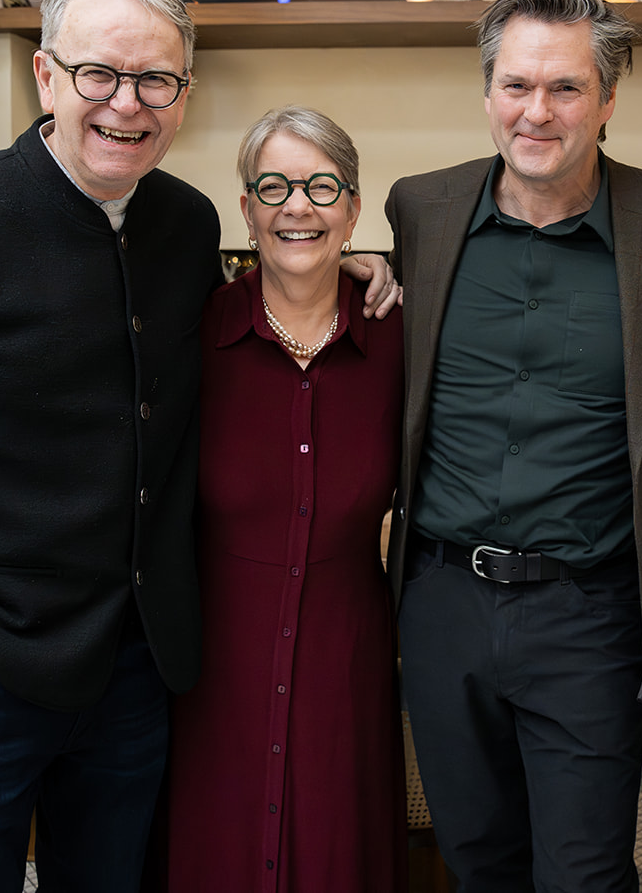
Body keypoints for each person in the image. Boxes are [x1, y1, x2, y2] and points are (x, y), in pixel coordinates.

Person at [0, 0, 394, 893]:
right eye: (99, 74)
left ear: (182, 94)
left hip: (133, 676)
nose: (126, 104)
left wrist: (344, 266)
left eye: (155, 80)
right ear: (46, 76)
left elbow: (253, 310)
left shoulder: (185, 225)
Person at [383, 0, 642, 892]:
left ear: (609, 99)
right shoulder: (419, 209)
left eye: (566, 88)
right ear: (488, 91)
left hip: (591, 612)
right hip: (441, 599)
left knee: (583, 872)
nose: (537, 111)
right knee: (473, 858)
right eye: (516, 85)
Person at [165, 106, 405, 891]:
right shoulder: (192, 336)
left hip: (348, 664)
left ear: (353, 209)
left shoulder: (403, 338)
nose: (296, 205)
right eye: (273, 186)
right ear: (247, 209)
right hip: (213, 668)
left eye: (321, 186)